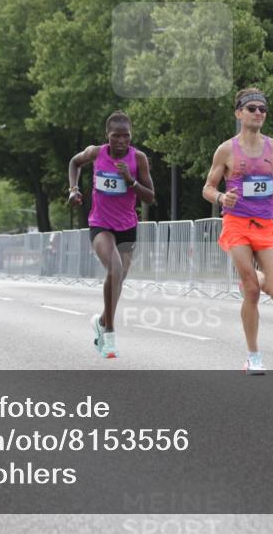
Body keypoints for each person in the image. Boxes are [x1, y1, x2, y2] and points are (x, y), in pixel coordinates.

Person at [203, 88, 273, 375]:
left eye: (262, 109)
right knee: (253, 293)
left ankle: (252, 278)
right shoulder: (226, 150)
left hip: (265, 227)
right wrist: (221, 197)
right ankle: (253, 356)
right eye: (252, 108)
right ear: (239, 113)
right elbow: (207, 187)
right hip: (236, 224)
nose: (258, 113)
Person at [68, 111, 155, 359]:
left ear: (131, 137)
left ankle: (101, 320)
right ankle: (109, 334)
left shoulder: (138, 159)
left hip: (127, 226)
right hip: (100, 224)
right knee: (114, 269)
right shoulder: (96, 153)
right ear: (107, 136)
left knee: (118, 280)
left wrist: (130, 181)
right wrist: (73, 189)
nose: (121, 141)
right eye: (116, 136)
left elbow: (150, 196)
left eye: (126, 136)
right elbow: (74, 162)